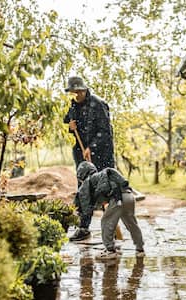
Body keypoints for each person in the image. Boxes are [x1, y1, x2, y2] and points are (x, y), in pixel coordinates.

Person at [63, 76, 115, 241]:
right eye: (73, 93)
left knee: (105, 190)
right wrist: (71, 126)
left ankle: (111, 229)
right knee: (84, 190)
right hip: (82, 156)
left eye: (77, 92)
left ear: (83, 90)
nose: (75, 95)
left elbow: (105, 132)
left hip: (100, 156)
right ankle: (84, 228)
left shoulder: (98, 104)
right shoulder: (73, 105)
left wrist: (91, 147)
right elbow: (68, 120)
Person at [74, 161, 145, 260]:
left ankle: (110, 250)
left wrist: (83, 221)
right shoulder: (102, 176)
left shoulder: (88, 181)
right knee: (131, 223)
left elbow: (86, 206)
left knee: (106, 222)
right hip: (129, 195)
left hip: (117, 199)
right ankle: (140, 249)